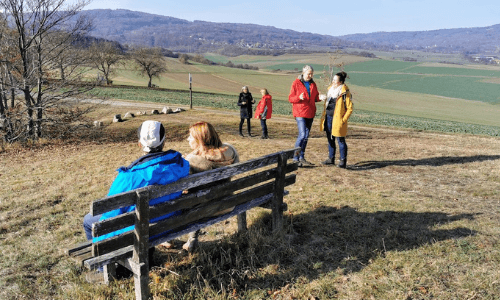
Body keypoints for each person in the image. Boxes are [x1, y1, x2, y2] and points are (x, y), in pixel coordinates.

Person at [83, 120, 190, 242]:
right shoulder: (181, 166)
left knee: (88, 221)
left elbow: (111, 212)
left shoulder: (128, 178)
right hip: (169, 222)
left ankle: (102, 255)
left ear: (139, 144)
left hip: (140, 230)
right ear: (164, 142)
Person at [181, 121, 240, 252]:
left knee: (177, 202)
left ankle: (167, 239)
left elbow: (181, 187)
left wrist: (184, 161)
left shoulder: (194, 162)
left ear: (200, 139)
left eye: (190, 136)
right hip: (228, 202)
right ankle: (192, 240)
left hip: (207, 207)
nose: (187, 139)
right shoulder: (230, 153)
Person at [288, 65, 321, 167]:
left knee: (306, 137)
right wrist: (299, 97)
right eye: (308, 73)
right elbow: (290, 98)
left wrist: (321, 97)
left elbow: (315, 97)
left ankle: (302, 157)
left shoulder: (313, 84)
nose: (310, 75)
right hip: (300, 112)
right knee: (302, 135)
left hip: (310, 113)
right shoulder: (296, 83)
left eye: (311, 74)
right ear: (303, 73)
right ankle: (295, 158)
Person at [319, 71, 353, 168]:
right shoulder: (330, 90)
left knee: (340, 140)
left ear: (340, 82)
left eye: (335, 80)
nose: (333, 81)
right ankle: (331, 158)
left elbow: (350, 108)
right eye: (333, 79)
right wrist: (323, 98)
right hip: (328, 117)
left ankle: (342, 160)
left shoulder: (344, 93)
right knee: (330, 138)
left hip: (338, 120)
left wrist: (343, 120)